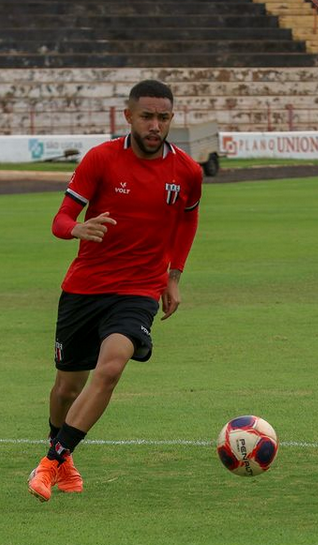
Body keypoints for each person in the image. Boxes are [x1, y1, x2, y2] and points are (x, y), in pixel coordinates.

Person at [28, 79, 203, 502]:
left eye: (163, 117)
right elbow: (60, 218)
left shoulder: (188, 172)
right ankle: (61, 452)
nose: (155, 125)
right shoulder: (101, 159)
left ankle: (51, 462)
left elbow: (188, 221)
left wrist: (173, 277)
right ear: (128, 116)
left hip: (138, 290)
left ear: (171, 119)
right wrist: (77, 229)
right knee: (67, 387)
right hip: (85, 288)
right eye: (147, 116)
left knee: (111, 367)